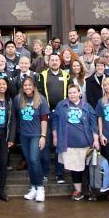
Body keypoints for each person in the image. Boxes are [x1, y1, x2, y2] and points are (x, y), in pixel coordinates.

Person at [52, 83, 99, 200]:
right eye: (70, 93)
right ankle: (78, 191)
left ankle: (92, 191)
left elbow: (94, 124)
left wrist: (96, 139)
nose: (72, 95)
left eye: (74, 92)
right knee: (75, 168)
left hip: (86, 144)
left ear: (79, 93)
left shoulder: (87, 107)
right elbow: (55, 121)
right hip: (69, 143)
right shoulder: (62, 105)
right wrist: (55, 136)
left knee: (89, 168)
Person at [15, 76, 49, 202]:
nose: (27, 87)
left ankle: (40, 188)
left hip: (36, 135)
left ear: (34, 86)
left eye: (30, 85)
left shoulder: (41, 99)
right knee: (29, 162)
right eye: (25, 85)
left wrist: (43, 136)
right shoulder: (18, 99)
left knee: (35, 160)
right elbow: (15, 116)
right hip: (24, 135)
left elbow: (44, 119)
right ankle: (33, 187)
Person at [38, 51, 69, 183]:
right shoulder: (43, 75)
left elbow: (70, 94)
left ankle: (59, 173)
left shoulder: (66, 75)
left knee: (60, 145)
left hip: (61, 114)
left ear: (60, 62)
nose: (54, 62)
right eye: (52, 60)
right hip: (47, 114)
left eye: (57, 60)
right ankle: (44, 172)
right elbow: (39, 94)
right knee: (46, 143)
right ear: (48, 62)